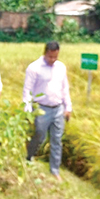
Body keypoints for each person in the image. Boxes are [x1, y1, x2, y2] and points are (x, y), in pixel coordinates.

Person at [24, 41, 72, 181]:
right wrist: (28, 110)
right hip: (41, 107)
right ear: (45, 53)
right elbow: (27, 90)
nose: (52, 60)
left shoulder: (61, 67)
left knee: (57, 139)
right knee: (39, 135)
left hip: (58, 108)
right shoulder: (34, 68)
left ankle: (55, 170)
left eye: (55, 57)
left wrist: (68, 107)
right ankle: (29, 156)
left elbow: (65, 88)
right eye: (50, 57)